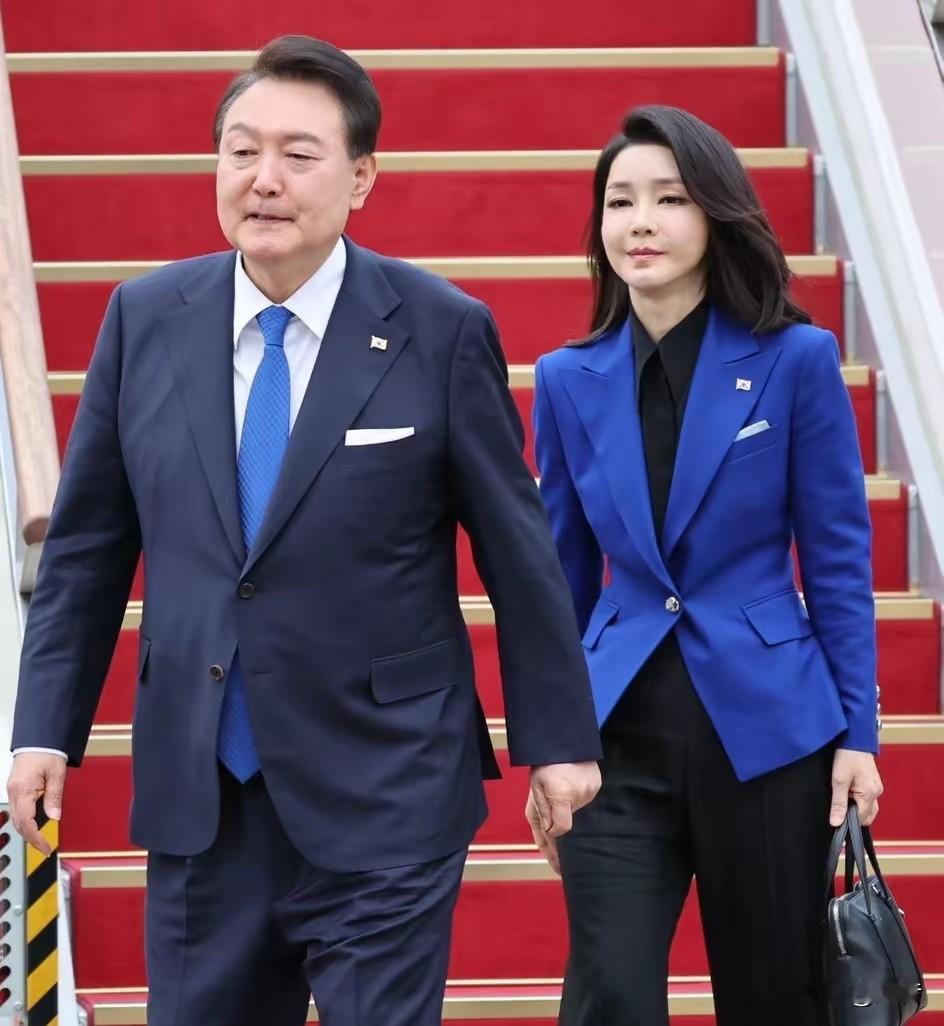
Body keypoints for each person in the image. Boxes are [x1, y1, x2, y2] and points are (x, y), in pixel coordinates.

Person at [7, 35, 602, 1026]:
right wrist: (42, 731)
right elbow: (84, 554)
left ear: (361, 177)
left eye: (297, 154)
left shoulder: (439, 328)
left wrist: (559, 741)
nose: (263, 179)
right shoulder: (145, 319)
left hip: (388, 783)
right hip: (204, 791)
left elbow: (517, 552)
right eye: (241, 151)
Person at [528, 105, 883, 1026]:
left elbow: (837, 561)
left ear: (716, 213)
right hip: (615, 734)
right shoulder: (566, 378)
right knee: (609, 993)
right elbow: (560, 576)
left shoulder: (796, 359)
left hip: (768, 730)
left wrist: (860, 734)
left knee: (775, 997)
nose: (639, 223)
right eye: (619, 202)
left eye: (669, 199)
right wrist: (552, 739)